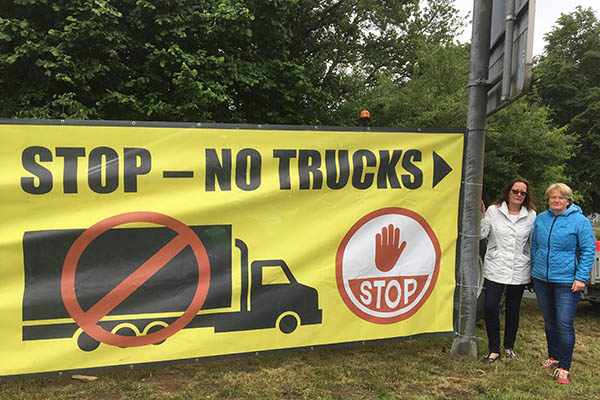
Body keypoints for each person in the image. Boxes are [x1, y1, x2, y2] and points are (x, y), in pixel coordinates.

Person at [531, 183, 596, 385]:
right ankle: (553, 357)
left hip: (567, 281)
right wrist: (535, 270)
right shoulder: (541, 218)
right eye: (553, 197)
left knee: (564, 324)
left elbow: (588, 250)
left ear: (568, 200)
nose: (556, 200)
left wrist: (581, 277)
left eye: (561, 197)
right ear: (548, 199)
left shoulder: (580, 222)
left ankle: (564, 368)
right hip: (542, 279)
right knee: (550, 322)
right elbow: (535, 245)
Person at [480, 178, 537, 363]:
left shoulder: (531, 215)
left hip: (519, 267)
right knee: (490, 306)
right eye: (516, 191)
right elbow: (482, 234)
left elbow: (532, 242)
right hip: (496, 266)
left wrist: (532, 266)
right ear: (508, 192)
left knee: (513, 309)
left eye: (523, 192)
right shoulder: (493, 211)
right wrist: (481, 218)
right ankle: (493, 348)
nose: (519, 195)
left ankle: (508, 347)